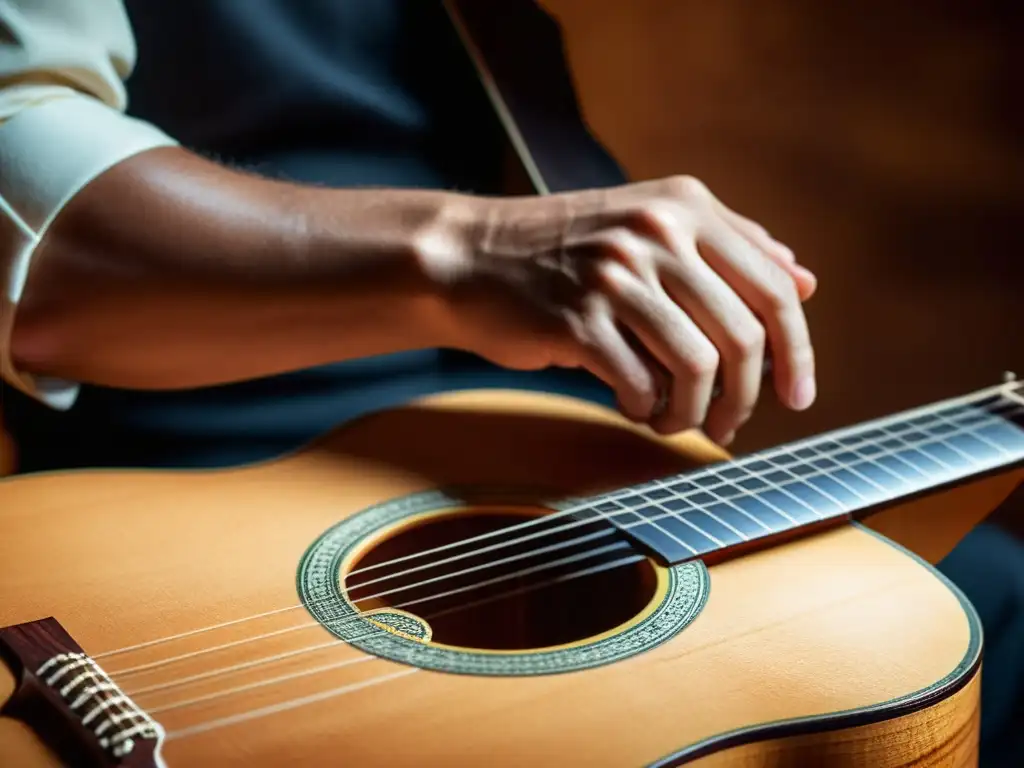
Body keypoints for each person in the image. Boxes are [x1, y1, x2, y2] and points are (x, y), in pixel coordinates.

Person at [0, 1, 1019, 764]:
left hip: (565, 476)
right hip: (197, 556)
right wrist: (472, 249)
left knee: (982, 609)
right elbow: (27, 201)